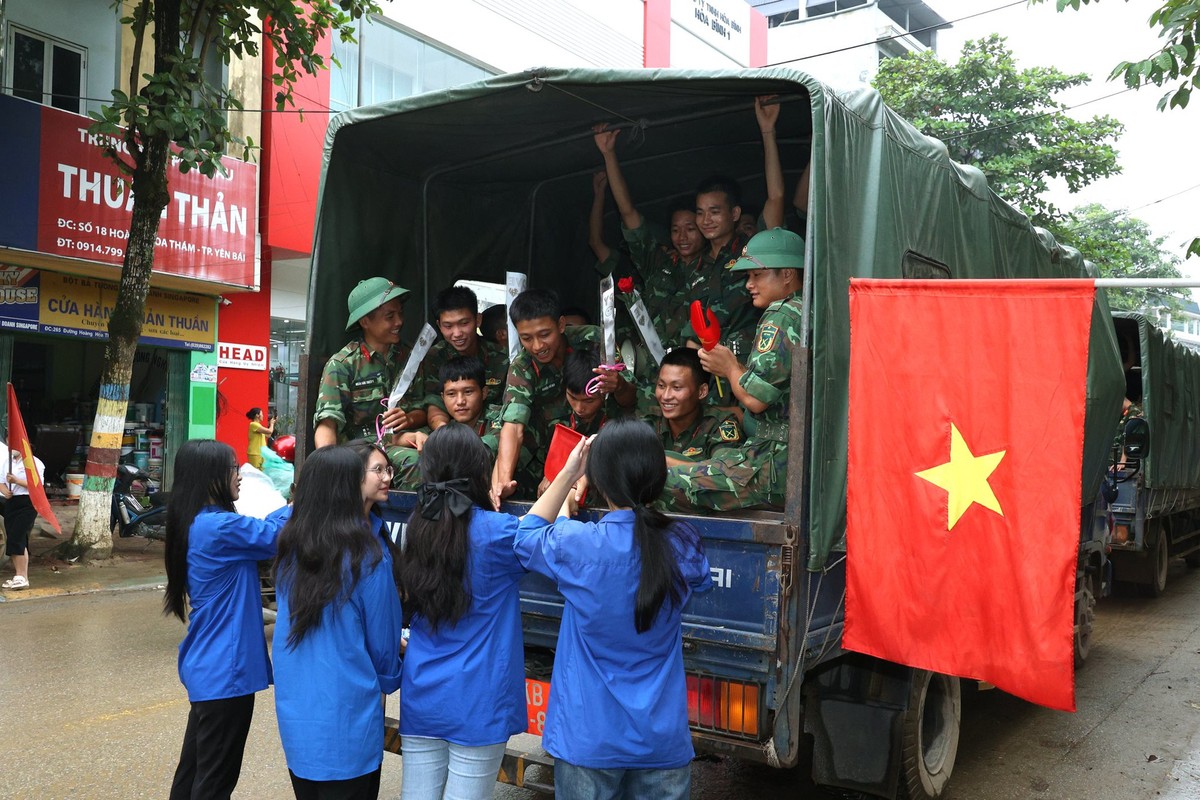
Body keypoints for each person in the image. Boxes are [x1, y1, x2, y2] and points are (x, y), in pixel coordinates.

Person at [514, 419, 713, 799]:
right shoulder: (683, 542)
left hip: (590, 738)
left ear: (600, 480)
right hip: (661, 740)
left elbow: (525, 537)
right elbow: (694, 576)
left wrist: (569, 471)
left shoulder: (580, 545)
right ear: (657, 476)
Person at [396, 424, 526, 800]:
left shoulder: (419, 527)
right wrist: (564, 486)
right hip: (478, 698)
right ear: (479, 472)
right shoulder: (500, 533)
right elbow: (542, 536)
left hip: (423, 690)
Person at [272, 441, 403, 800]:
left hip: (299, 725)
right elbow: (384, 648)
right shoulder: (368, 557)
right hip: (349, 727)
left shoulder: (290, 548)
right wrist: (391, 677)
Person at [164, 439, 285, 800]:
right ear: (211, 476)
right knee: (216, 780)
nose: (241, 475)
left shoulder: (198, 523)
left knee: (194, 772)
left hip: (209, 667)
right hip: (225, 672)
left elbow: (263, 530)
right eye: (234, 469)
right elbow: (277, 536)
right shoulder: (219, 527)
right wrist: (307, 502)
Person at [660, 228, 804, 512]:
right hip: (778, 458)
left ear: (787, 274)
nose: (749, 284)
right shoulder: (806, 311)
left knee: (653, 480)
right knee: (662, 459)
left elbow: (755, 400)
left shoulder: (781, 316)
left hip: (773, 464)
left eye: (757, 275)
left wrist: (727, 368)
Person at [492, 288, 635, 503]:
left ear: (560, 325)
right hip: (551, 443)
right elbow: (514, 426)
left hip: (602, 435)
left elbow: (631, 400)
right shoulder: (522, 367)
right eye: (526, 338)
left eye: (544, 334)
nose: (538, 346)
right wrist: (503, 482)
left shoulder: (594, 340)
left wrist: (619, 385)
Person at [313, 277, 426, 451]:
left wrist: (409, 419)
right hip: (362, 452)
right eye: (390, 316)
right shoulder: (342, 365)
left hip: (405, 440)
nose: (399, 321)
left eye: (400, 313)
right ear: (365, 322)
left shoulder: (410, 357)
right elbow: (328, 423)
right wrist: (329, 465)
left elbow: (423, 408)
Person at [391, 357, 500, 490]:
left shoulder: (497, 419)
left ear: (484, 393)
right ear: (442, 398)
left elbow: (482, 452)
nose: (460, 401)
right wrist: (413, 436)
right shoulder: (446, 425)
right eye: (451, 394)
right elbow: (389, 441)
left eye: (468, 392)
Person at [421, 286, 509, 430]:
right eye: (448, 326)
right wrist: (444, 432)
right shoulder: (434, 357)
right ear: (439, 325)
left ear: (478, 320)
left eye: (464, 323)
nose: (457, 333)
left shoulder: (501, 358)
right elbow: (434, 402)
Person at [648, 348, 742, 466]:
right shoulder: (648, 423)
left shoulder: (719, 425)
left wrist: (660, 462)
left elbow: (724, 473)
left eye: (677, 387)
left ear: (702, 391)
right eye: (661, 385)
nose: (666, 396)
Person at [1, 439, 46, 592]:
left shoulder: (34, 463)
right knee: (13, 539)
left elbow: (37, 485)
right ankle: (19, 576)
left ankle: (22, 576)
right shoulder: (7, 462)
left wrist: (17, 480)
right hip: (12, 501)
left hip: (28, 502)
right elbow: (1, 480)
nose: (10, 446)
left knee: (17, 536)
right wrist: (4, 490)